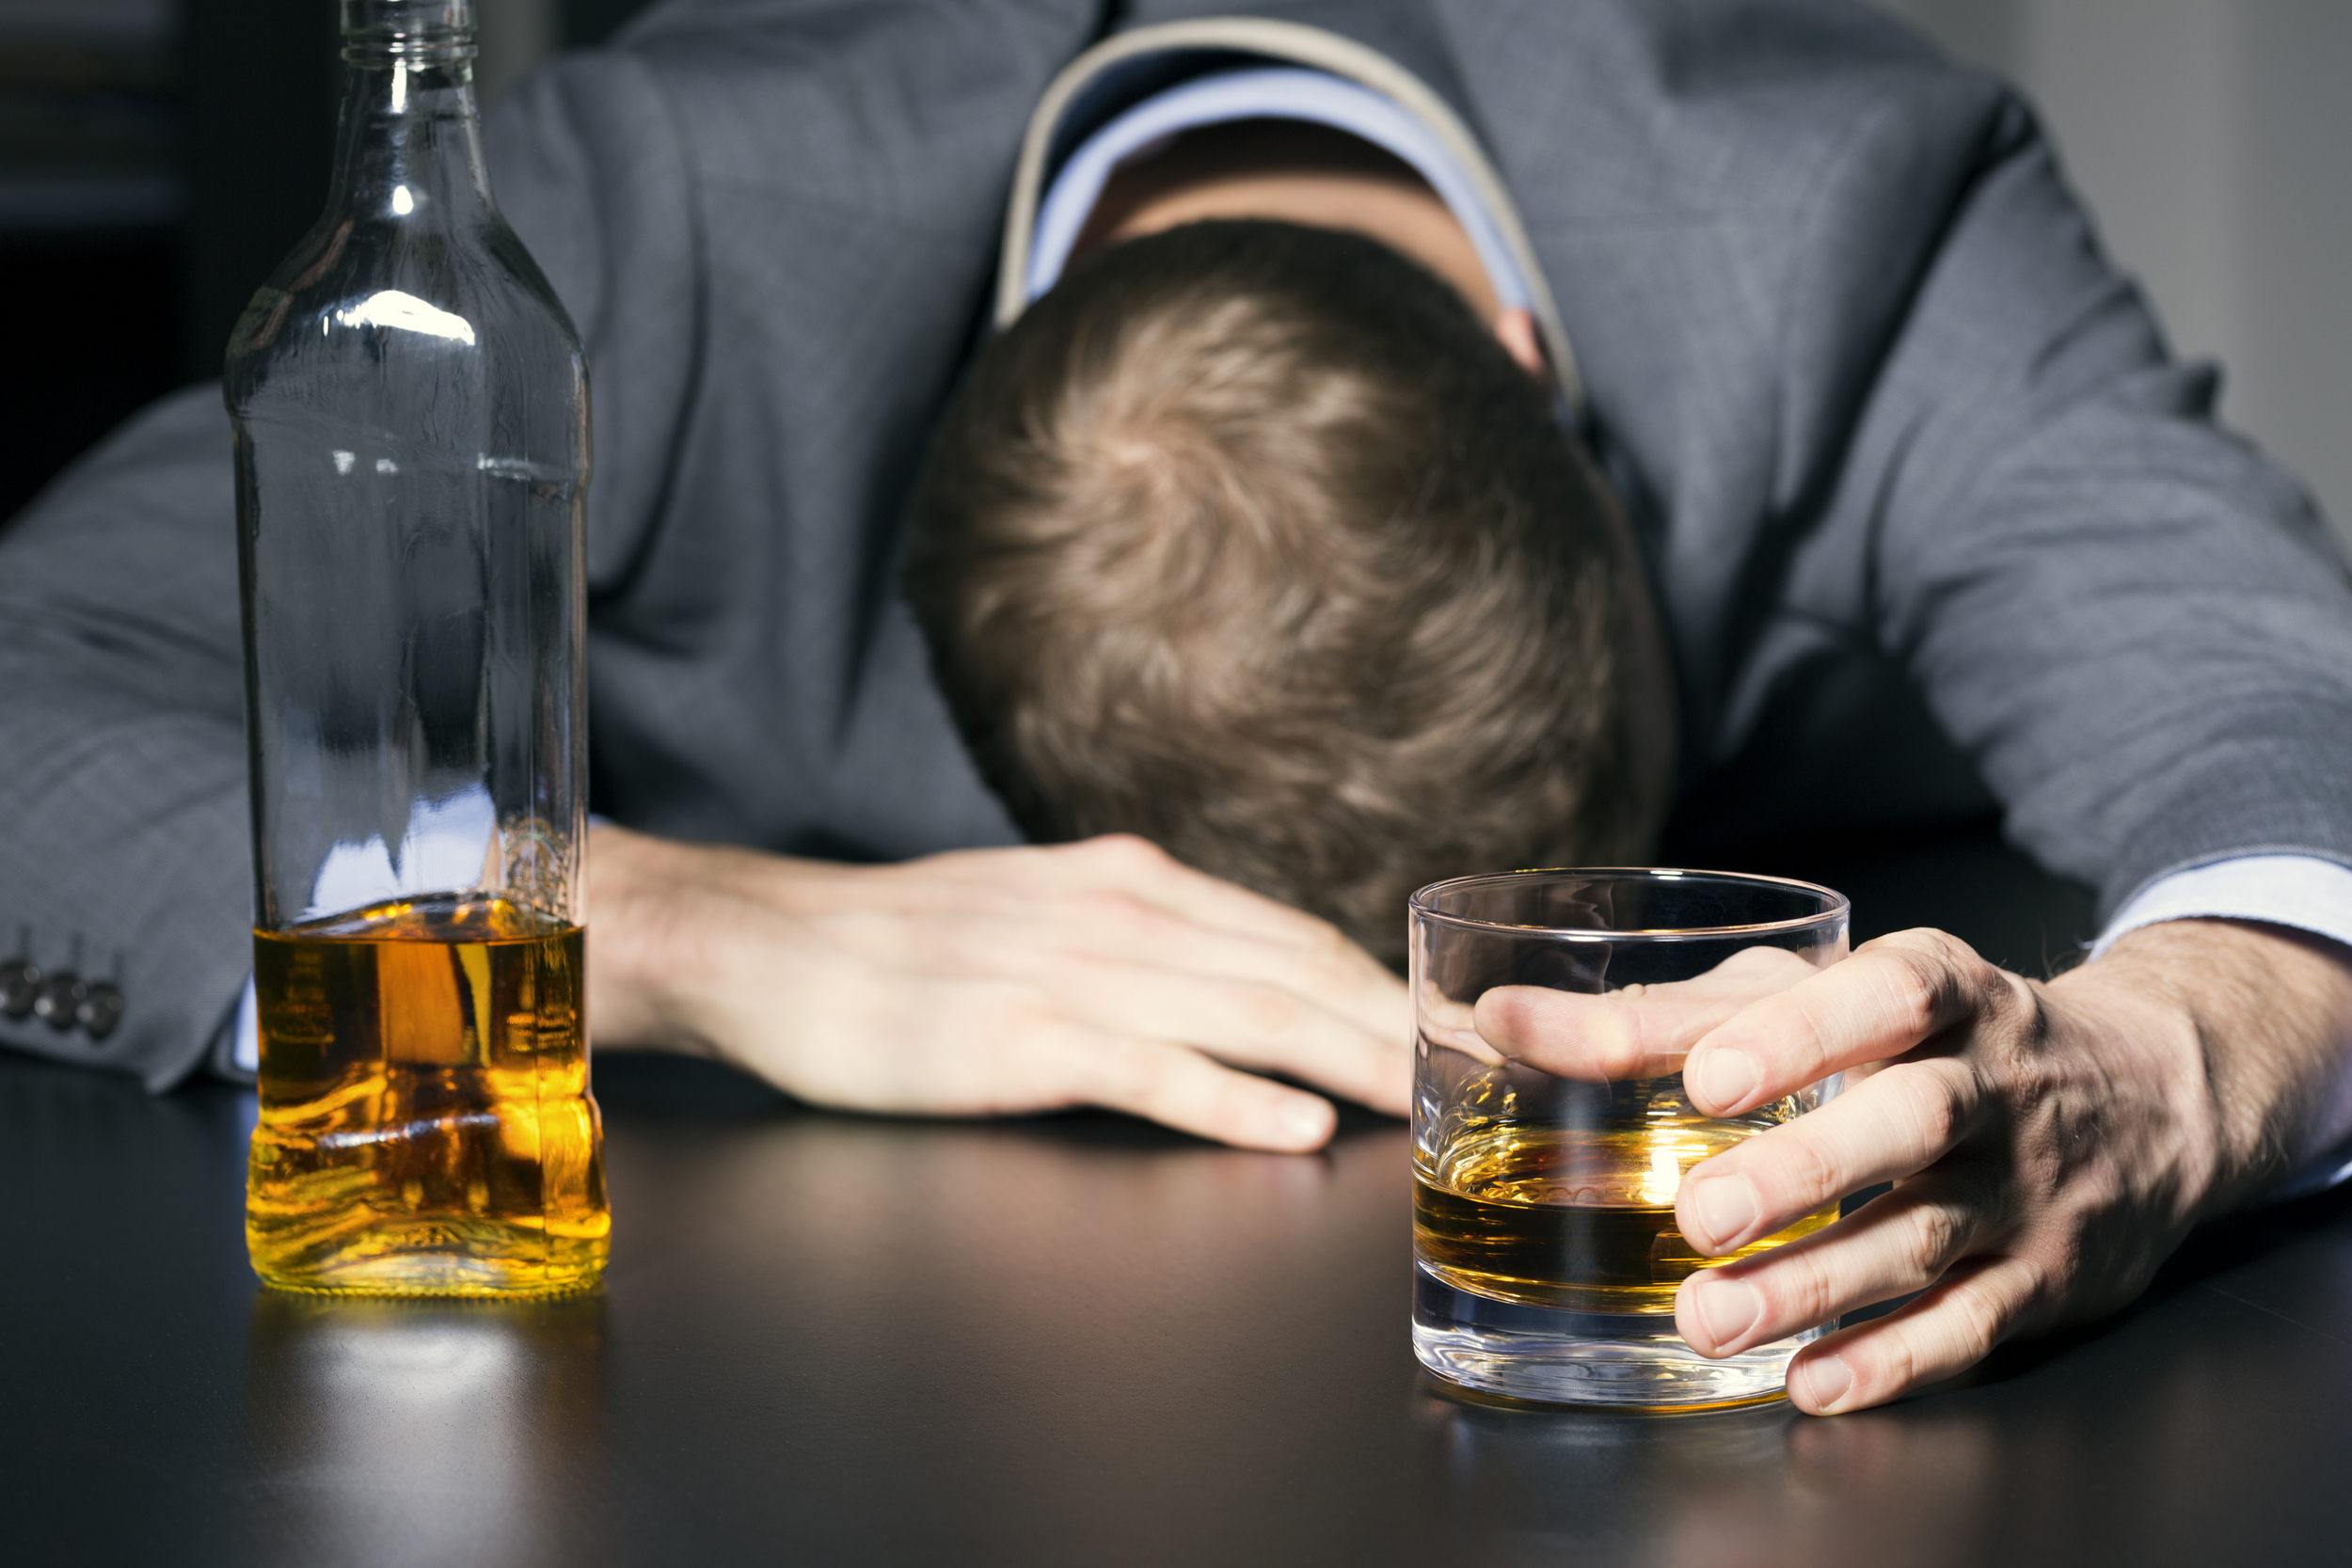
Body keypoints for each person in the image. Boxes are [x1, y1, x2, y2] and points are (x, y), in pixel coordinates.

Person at [3, 1, 2350, 1417]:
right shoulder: (643, 237)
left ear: (1555, 388)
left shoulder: (1840, 221)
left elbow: (2273, 708)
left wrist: (2167, 1064)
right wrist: (687, 925)